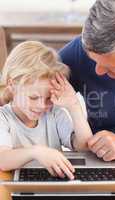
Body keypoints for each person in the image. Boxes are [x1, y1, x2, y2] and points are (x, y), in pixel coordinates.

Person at [0, 41, 92, 179]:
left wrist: (74, 106)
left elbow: (84, 146)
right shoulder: (3, 118)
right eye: (33, 97)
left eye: (48, 98)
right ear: (12, 85)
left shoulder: (54, 113)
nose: (42, 106)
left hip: (53, 185)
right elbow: (3, 160)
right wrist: (37, 152)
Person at [59, 0, 115, 162]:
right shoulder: (81, 50)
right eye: (93, 60)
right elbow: (28, 87)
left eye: (109, 67)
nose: (98, 71)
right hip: (100, 162)